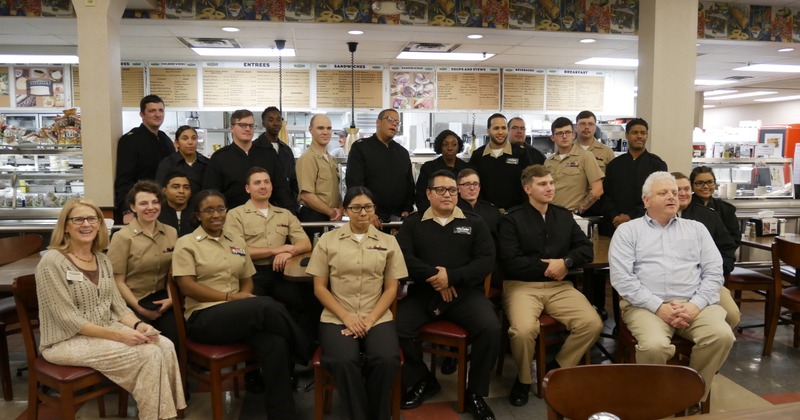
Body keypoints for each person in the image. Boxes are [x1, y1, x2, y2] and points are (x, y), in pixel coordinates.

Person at [36, 198, 185, 420]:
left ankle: (171, 414)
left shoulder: (102, 259)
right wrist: (119, 336)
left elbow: (117, 305)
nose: (86, 224)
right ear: (66, 226)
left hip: (104, 330)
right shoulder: (52, 261)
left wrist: (140, 325)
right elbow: (68, 319)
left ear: (99, 224)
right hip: (65, 340)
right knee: (149, 354)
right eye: (78, 219)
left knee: (163, 344)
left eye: (92, 219)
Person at [172, 190, 311, 418]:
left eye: (220, 209)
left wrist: (243, 297)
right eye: (209, 210)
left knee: (275, 342)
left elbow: (247, 279)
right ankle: (306, 350)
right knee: (266, 305)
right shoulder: (186, 244)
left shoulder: (236, 242)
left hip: (237, 314)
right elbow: (187, 287)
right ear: (197, 215)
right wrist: (230, 298)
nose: (217, 214)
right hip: (204, 317)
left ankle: (282, 414)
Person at [609, 171, 735, 403]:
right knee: (654, 346)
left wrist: (695, 306)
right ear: (646, 200)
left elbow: (714, 272)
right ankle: (655, 400)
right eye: (663, 193)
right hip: (645, 306)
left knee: (721, 335)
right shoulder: (628, 231)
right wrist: (659, 307)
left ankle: (691, 394)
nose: (672, 197)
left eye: (675, 193)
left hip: (695, 304)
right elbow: (622, 279)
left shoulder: (696, 229)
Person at [395, 170, 499, 419]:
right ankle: (423, 380)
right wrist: (436, 277)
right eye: (440, 190)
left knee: (491, 328)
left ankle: (475, 392)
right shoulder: (413, 223)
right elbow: (403, 258)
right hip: (423, 293)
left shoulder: (474, 222)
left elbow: (486, 261)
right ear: (428, 193)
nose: (447, 195)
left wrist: (451, 277)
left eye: (452, 190)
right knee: (395, 328)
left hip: (465, 295)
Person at [499, 165, 602, 407]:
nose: (550, 188)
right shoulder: (511, 219)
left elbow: (585, 249)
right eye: (542, 184)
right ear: (527, 189)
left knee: (592, 323)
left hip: (559, 286)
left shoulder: (563, 216)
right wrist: (548, 268)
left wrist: (565, 262)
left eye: (551, 183)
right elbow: (510, 261)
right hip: (522, 286)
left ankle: (556, 368)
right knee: (523, 331)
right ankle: (523, 380)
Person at [305, 186, 407, 420]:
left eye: (368, 207)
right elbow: (319, 287)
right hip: (337, 315)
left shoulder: (388, 241)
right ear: (345, 211)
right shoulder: (328, 241)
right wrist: (347, 317)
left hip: (377, 315)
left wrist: (370, 319)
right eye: (356, 207)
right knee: (342, 360)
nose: (363, 213)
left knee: (386, 358)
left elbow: (392, 288)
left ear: (374, 210)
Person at [224, 167, 318, 335]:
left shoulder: (284, 214)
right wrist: (277, 250)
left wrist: (289, 252)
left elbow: (305, 243)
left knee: (307, 301)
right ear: (248, 188)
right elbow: (237, 250)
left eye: (266, 182)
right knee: (259, 309)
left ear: (271, 186)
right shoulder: (235, 215)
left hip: (280, 272)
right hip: (250, 275)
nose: (263, 186)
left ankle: (301, 352)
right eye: (257, 183)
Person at [107, 180, 179, 346]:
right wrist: (140, 309)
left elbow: (172, 272)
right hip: (133, 302)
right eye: (143, 203)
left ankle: (176, 371)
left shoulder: (171, 232)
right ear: (133, 207)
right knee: (146, 344)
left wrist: (171, 299)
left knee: (175, 337)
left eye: (155, 202)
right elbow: (117, 281)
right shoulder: (122, 237)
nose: (150, 207)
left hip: (163, 300)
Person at [674, 172, 741, 328]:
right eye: (677, 190)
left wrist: (717, 273)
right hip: (673, 282)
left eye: (686, 189)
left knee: (731, 315)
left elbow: (727, 248)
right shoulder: (657, 217)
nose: (683, 194)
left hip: (707, 280)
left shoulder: (709, 216)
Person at [202, 109, 295, 210]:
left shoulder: (268, 154)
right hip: (233, 219)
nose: (247, 129)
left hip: (266, 218)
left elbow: (281, 189)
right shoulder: (219, 158)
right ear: (232, 128)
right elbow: (212, 194)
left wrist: (290, 216)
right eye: (242, 125)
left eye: (251, 126)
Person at [346, 109, 415, 229]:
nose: (394, 124)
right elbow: (355, 185)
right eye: (390, 120)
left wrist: (407, 209)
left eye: (397, 122)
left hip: (398, 221)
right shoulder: (361, 148)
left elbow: (409, 185)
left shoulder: (402, 153)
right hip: (370, 219)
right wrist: (368, 212)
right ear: (378, 122)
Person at [114, 94, 175, 224]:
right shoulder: (130, 140)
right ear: (142, 114)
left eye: (160, 110)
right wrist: (127, 210)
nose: (157, 115)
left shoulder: (165, 140)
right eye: (152, 111)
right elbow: (124, 180)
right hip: (140, 208)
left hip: (163, 207)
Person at [602, 118, 667, 231]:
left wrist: (630, 216)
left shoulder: (657, 165)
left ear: (647, 135)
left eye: (643, 133)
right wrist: (615, 216)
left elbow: (659, 196)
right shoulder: (614, 165)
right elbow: (607, 195)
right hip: (616, 224)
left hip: (648, 224)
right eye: (634, 132)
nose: (639, 136)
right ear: (627, 135)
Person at [468, 113, 532, 212]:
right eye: (496, 128)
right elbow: (471, 185)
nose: (500, 132)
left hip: (515, 213)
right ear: (488, 131)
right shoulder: (478, 155)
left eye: (503, 128)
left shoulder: (521, 154)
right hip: (485, 213)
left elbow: (529, 183)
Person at [544, 117, 604, 215]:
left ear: (573, 135)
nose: (564, 136)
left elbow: (597, 190)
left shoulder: (585, 156)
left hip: (572, 215)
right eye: (559, 133)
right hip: (550, 215)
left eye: (567, 132)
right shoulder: (548, 161)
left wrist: (577, 211)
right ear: (553, 137)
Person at [295, 114, 343, 237]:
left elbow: (336, 191)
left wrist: (339, 210)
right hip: (314, 217)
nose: (325, 132)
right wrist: (332, 212)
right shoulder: (307, 158)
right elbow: (306, 196)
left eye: (329, 128)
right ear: (311, 130)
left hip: (331, 217)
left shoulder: (331, 159)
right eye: (320, 128)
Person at [414, 130, 471, 213]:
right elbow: (421, 197)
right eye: (445, 144)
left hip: (462, 215)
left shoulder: (466, 169)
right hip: (434, 215)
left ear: (459, 146)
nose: (450, 148)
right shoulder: (428, 168)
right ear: (439, 146)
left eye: (454, 144)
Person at [254, 106, 299, 206]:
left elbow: (293, 179)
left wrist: (293, 198)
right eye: (270, 120)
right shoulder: (254, 148)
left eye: (278, 120)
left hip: (286, 206)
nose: (275, 123)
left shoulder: (286, 150)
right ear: (263, 123)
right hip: (262, 205)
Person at [690, 166, 741, 246]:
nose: (706, 186)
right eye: (700, 183)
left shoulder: (726, 209)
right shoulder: (685, 207)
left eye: (710, 182)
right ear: (692, 186)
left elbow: (734, 239)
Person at [155, 125, 210, 196]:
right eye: (185, 138)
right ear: (177, 143)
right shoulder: (167, 164)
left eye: (194, 138)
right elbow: (160, 190)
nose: (190, 142)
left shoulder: (206, 163)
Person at [158, 171, 195, 237]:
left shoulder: (197, 214)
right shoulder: (157, 213)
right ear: (164, 191)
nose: (181, 191)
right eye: (175, 187)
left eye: (186, 187)